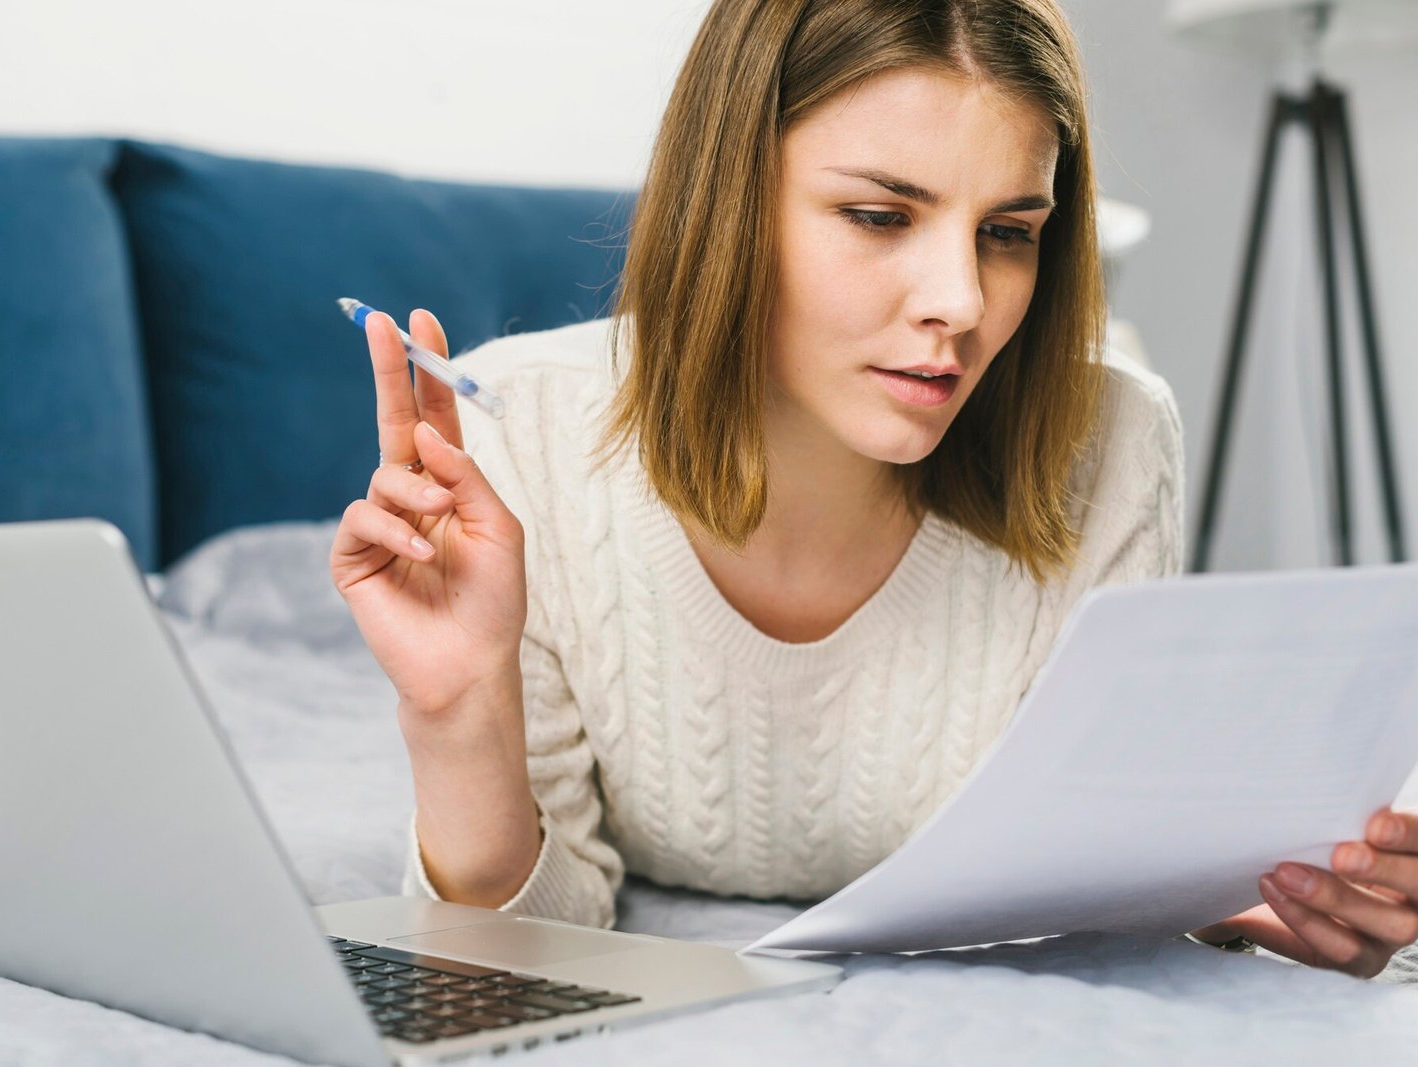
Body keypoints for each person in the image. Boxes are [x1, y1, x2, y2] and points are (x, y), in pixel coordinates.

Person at [329, 0, 1418, 979]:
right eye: (879, 216)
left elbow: (1099, 889)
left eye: (1007, 234)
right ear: (729, 201)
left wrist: (1245, 904)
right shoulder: (520, 433)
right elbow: (533, 940)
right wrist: (458, 711)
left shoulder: (1115, 443)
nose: (961, 301)